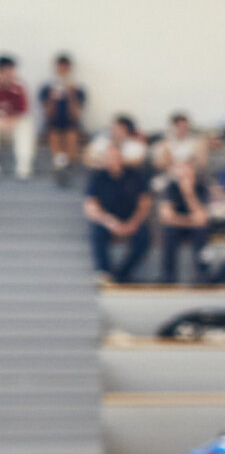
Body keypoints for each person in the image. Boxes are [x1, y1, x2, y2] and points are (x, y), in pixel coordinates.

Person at [82, 137, 152, 284]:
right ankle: (104, 272)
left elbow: (145, 203)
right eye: (110, 157)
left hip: (131, 220)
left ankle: (122, 274)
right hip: (108, 221)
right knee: (96, 231)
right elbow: (90, 206)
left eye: (116, 156)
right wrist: (108, 221)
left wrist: (133, 223)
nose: (113, 160)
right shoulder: (98, 177)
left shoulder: (135, 175)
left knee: (144, 236)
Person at [156, 157, 214, 284]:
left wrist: (189, 194)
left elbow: (202, 218)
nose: (185, 174)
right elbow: (166, 217)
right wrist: (191, 221)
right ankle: (168, 275)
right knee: (169, 231)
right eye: (182, 171)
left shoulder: (201, 187)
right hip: (178, 227)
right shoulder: (170, 187)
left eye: (188, 171)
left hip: (194, 229)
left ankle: (203, 273)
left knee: (202, 232)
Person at [38, 54, 85, 185]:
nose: (63, 72)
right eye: (60, 68)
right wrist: (52, 97)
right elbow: (47, 114)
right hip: (53, 123)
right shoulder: (46, 89)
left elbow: (76, 115)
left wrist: (71, 94)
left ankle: (65, 166)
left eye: (65, 69)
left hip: (71, 124)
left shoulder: (78, 89)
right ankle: (61, 166)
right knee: (54, 134)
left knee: (71, 135)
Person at [0, 56, 34, 180]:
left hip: (13, 124)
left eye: (12, 71)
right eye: (7, 72)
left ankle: (23, 168)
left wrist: (12, 119)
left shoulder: (18, 87)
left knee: (26, 123)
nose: (11, 75)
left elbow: (23, 110)